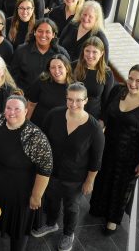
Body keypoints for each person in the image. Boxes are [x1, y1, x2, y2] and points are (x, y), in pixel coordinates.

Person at [89, 65, 139, 235]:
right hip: (107, 148)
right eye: (130, 78)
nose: (133, 83)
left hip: (130, 156)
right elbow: (106, 115)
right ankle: (98, 208)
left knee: (120, 188)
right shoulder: (118, 90)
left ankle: (112, 220)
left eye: (138, 81)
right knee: (103, 179)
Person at [34, 83, 104, 251]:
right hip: (52, 172)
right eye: (70, 100)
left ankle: (68, 234)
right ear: (66, 99)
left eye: (79, 100)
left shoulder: (94, 129)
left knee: (71, 207)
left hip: (75, 178)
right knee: (52, 200)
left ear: (86, 100)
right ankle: (51, 224)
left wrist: (90, 181)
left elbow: (96, 160)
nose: (74, 104)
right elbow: (43, 141)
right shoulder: (54, 115)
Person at [0, 95, 52, 250]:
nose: (11, 112)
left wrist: (36, 196)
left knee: (18, 233)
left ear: (26, 111)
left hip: (20, 195)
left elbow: (45, 169)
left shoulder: (35, 137)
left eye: (17, 109)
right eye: (8, 108)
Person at [10, 19, 70, 89]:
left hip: (53, 95)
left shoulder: (61, 53)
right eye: (40, 31)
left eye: (48, 32)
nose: (43, 35)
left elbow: (69, 77)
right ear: (34, 32)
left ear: (53, 34)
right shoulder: (21, 51)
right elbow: (13, 76)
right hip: (25, 95)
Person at [26, 54, 74, 130]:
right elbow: (31, 105)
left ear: (67, 68)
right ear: (49, 70)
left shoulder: (74, 88)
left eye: (60, 67)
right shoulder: (41, 81)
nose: (56, 70)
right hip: (37, 126)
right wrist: (25, 125)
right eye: (53, 67)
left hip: (59, 129)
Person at [71, 36, 114, 120]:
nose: (90, 55)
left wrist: (102, 121)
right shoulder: (73, 66)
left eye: (95, 52)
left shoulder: (107, 73)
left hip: (92, 118)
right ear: (83, 51)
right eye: (87, 51)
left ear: (101, 53)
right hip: (71, 113)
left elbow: (106, 101)